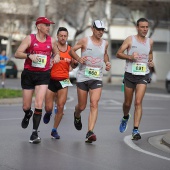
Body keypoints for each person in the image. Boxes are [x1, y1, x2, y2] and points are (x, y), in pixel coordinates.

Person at [14, 17, 60, 144]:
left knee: (39, 103)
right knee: (26, 106)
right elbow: (17, 53)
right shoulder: (30, 39)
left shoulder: (52, 41)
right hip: (29, 74)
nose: (48, 27)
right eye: (46, 25)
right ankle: (28, 113)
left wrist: (56, 57)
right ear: (39, 26)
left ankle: (34, 133)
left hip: (43, 75)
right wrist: (29, 55)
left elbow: (57, 53)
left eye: (49, 25)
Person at [69, 20, 111, 143]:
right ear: (92, 29)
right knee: (82, 106)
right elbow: (72, 50)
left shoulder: (105, 43)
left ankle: (90, 132)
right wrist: (78, 58)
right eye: (98, 29)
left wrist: (107, 62)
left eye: (102, 30)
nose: (100, 32)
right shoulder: (84, 40)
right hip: (82, 77)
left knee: (94, 104)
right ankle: (77, 115)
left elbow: (105, 54)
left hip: (97, 77)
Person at [116, 18, 154, 140]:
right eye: (142, 27)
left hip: (143, 75)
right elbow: (118, 53)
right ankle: (125, 116)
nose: (145, 29)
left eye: (147, 27)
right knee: (127, 103)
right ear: (137, 28)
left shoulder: (150, 42)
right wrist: (130, 57)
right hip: (130, 74)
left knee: (138, 102)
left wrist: (150, 61)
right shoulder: (130, 39)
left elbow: (150, 53)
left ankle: (135, 130)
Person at [43, 27, 78, 139]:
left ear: (67, 37)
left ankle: (54, 130)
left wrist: (75, 63)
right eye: (61, 36)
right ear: (57, 36)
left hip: (64, 80)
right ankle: (48, 113)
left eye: (65, 36)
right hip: (51, 79)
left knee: (61, 106)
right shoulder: (53, 48)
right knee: (48, 107)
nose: (63, 38)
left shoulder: (70, 50)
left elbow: (72, 66)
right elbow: (45, 61)